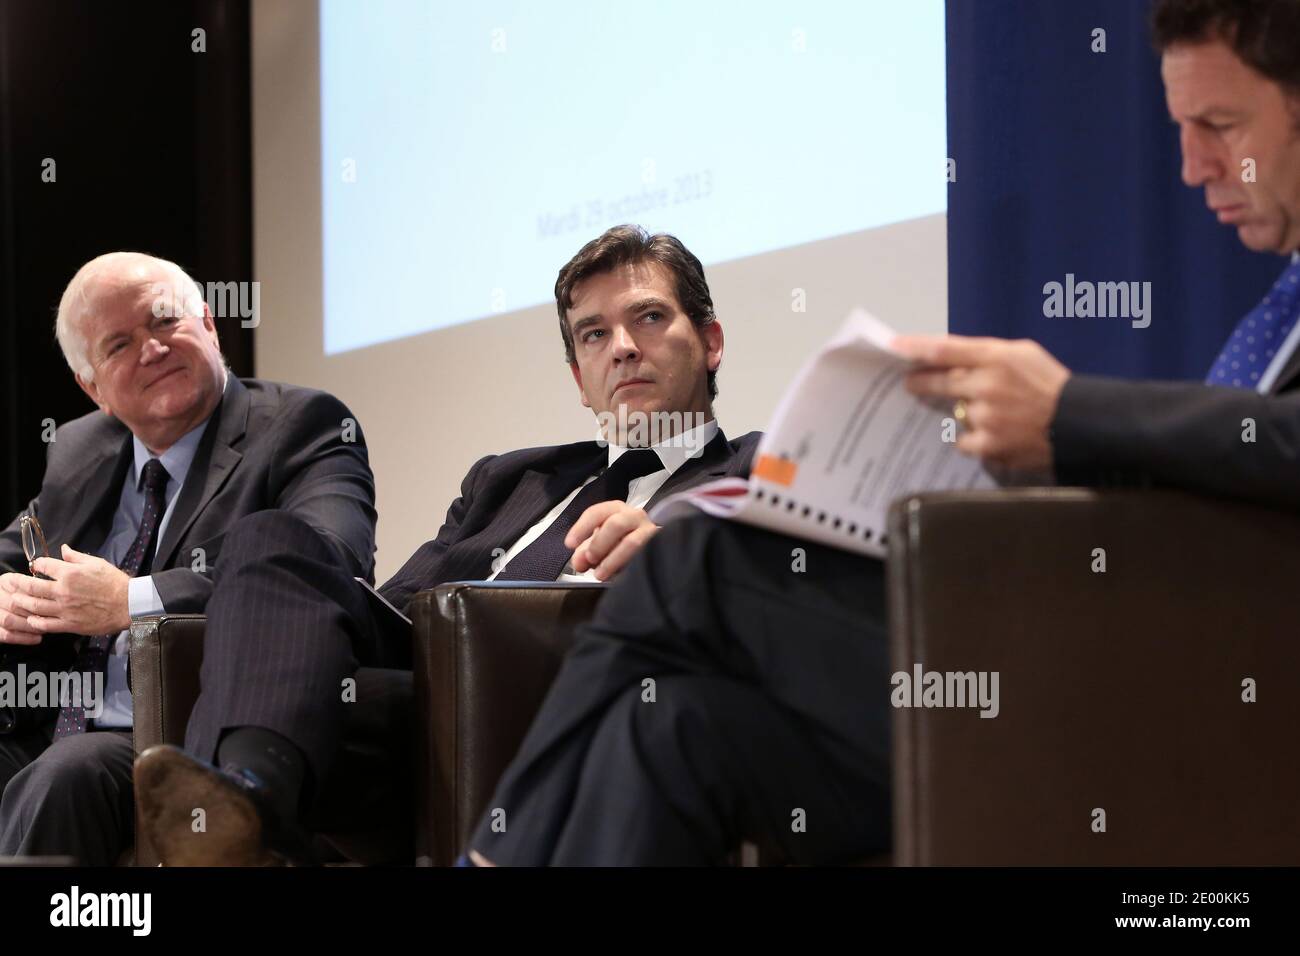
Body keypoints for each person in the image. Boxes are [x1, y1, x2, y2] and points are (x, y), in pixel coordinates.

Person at [465, 0, 1300, 866]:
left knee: (694, 560)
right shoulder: (1279, 312)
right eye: (1182, 127)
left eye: (1220, 124)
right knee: (675, 725)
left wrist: (1069, 412)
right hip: (1108, 653)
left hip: (1177, 700)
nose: (1194, 164)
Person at [132, 224, 761, 864]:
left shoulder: (757, 469)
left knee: (287, 711)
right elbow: (393, 609)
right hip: (424, 689)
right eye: (594, 334)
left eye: (649, 317)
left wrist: (677, 552)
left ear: (710, 342)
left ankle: (246, 826)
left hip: (565, 705)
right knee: (270, 538)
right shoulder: (509, 478)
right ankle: (251, 793)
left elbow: (785, 587)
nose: (622, 348)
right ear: (579, 377)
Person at [0, 252, 376, 865]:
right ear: (92, 387)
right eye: (119, 344)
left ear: (210, 323)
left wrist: (128, 601)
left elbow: (327, 563)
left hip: (193, 728)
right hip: (57, 720)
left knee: (66, 774)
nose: (151, 349)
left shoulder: (303, 425)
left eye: (165, 320)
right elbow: (13, 552)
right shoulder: (79, 450)